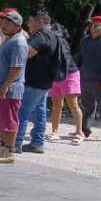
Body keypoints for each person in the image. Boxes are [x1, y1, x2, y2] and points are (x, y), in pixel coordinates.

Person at [0, 10, 28, 163]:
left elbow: (16, 67)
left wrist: (5, 86)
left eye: (8, 22)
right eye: (2, 21)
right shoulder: (9, 39)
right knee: (3, 121)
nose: (3, 24)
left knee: (9, 122)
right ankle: (1, 146)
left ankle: (8, 152)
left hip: (10, 89)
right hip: (1, 88)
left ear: (17, 25)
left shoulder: (18, 43)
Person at [16, 10, 60, 154]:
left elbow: (28, 51)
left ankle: (15, 142)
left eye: (30, 21)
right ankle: (37, 142)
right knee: (40, 112)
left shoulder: (43, 35)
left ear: (39, 21)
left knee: (22, 112)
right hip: (43, 82)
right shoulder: (52, 35)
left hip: (34, 82)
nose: (28, 24)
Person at [48, 22, 85, 145]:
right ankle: (54, 132)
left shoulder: (61, 42)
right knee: (56, 105)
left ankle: (80, 133)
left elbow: (64, 60)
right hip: (56, 76)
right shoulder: (52, 42)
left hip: (69, 74)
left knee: (73, 104)